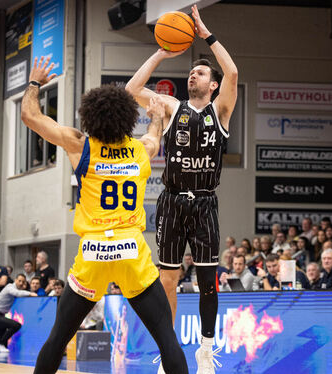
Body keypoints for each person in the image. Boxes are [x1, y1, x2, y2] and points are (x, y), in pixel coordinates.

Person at [21, 56, 188, 374]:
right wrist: (155, 117)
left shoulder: (79, 145)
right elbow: (154, 137)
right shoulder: (140, 151)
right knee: (167, 340)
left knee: (58, 338)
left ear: (90, 117)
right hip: (131, 251)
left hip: (94, 252)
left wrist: (34, 83)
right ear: (128, 118)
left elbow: (30, 115)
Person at [125, 6, 238, 373]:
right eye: (192, 71)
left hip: (205, 203)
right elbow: (130, 90)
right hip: (172, 201)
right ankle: (170, 352)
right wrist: (160, 51)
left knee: (207, 281)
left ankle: (206, 349)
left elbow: (233, 71)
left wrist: (206, 33)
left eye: (201, 72)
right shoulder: (173, 108)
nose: (194, 74)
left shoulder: (220, 110)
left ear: (213, 84)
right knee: (167, 280)